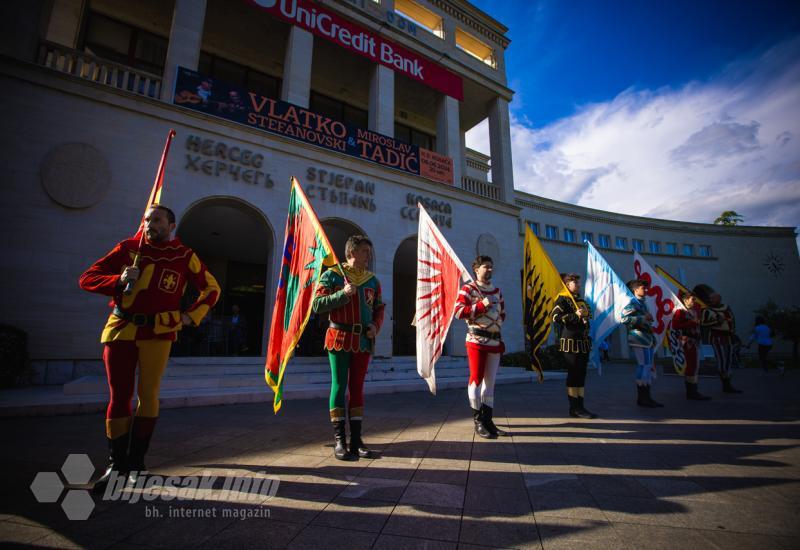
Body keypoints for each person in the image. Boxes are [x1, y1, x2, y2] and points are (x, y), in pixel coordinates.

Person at [79, 205, 220, 491]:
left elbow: (211, 288)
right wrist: (117, 280)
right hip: (121, 329)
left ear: (171, 226)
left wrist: (190, 316)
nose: (149, 224)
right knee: (119, 397)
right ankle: (115, 465)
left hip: (159, 332)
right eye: (146, 219)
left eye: (156, 220)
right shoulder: (129, 249)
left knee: (148, 395)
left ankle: (136, 464)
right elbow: (87, 278)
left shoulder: (184, 255)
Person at [312, 235, 384, 460]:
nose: (368, 257)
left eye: (369, 253)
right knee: (339, 385)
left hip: (362, 340)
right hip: (339, 337)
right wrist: (342, 294)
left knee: (357, 388)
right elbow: (317, 305)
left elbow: (379, 308)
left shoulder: (372, 281)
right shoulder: (332, 275)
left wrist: (375, 325)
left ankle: (357, 440)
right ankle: (340, 441)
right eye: (364, 252)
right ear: (351, 252)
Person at [454, 256, 508, 438]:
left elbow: (503, 312)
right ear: (476, 269)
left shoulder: (497, 291)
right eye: (486, 267)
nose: (490, 270)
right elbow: (459, 312)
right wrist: (480, 306)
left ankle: (488, 420)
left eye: (491, 267)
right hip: (476, 341)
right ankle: (478, 421)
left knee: (490, 384)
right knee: (476, 380)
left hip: (495, 341)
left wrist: (497, 322)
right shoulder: (468, 289)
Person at [551, 273, 597, 418]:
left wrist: (583, 315)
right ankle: (574, 407)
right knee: (573, 374)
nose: (578, 285)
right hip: (570, 343)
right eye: (575, 283)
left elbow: (589, 316)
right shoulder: (562, 299)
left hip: (583, 342)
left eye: (578, 282)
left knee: (581, 374)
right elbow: (555, 317)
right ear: (567, 284)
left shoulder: (582, 301)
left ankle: (581, 406)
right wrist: (575, 315)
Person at [693, 284, 742, 393]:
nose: (711, 300)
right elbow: (703, 324)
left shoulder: (726, 307)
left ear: (719, 298)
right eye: (710, 298)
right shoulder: (707, 310)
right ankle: (725, 383)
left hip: (728, 337)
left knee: (728, 359)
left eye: (713, 298)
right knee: (722, 360)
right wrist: (716, 322)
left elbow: (731, 320)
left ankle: (728, 383)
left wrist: (732, 330)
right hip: (716, 337)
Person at [622, 279, 663, 408]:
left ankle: (647, 396)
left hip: (646, 337)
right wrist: (642, 318)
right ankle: (642, 397)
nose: (645, 290)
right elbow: (624, 318)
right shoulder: (631, 302)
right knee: (643, 366)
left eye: (646, 288)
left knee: (648, 366)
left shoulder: (642, 303)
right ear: (635, 289)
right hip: (638, 338)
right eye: (642, 288)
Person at [671, 291, 711, 400]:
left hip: (695, 341)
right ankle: (692, 392)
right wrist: (692, 323)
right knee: (691, 366)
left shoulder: (693, 311)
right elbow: (675, 325)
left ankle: (693, 390)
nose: (694, 301)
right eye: (692, 299)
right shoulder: (680, 311)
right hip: (687, 342)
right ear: (685, 300)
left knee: (695, 366)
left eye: (694, 299)